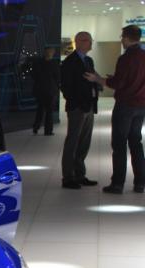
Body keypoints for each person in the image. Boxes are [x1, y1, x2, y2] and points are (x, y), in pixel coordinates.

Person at [85, 25, 145, 194]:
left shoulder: (125, 58)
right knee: (136, 143)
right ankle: (140, 183)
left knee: (119, 144)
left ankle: (118, 184)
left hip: (125, 106)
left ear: (127, 38)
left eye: (122, 37)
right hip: (141, 106)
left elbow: (118, 84)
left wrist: (97, 79)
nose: (121, 40)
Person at [60, 32, 101, 189]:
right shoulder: (70, 62)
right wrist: (77, 102)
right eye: (86, 40)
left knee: (84, 142)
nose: (90, 43)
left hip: (89, 106)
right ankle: (68, 177)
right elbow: (66, 86)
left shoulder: (88, 60)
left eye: (90, 40)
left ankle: (80, 174)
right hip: (77, 107)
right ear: (77, 42)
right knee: (73, 141)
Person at [31, 47, 60, 136]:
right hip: (49, 90)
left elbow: (34, 75)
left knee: (41, 110)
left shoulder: (38, 63)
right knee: (48, 111)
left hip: (43, 90)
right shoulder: (54, 63)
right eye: (49, 51)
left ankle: (37, 127)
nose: (50, 53)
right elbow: (57, 77)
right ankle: (47, 130)